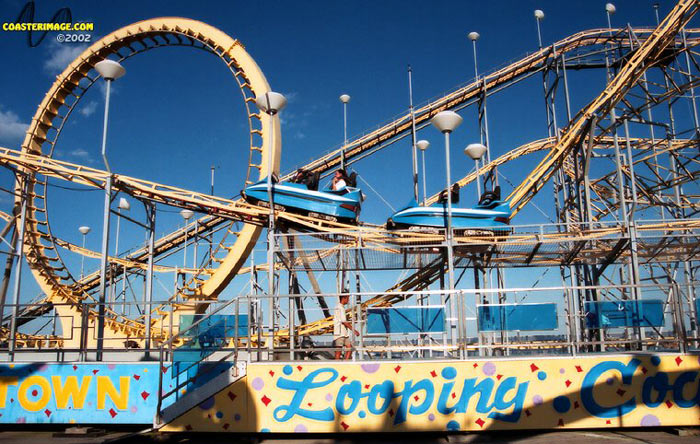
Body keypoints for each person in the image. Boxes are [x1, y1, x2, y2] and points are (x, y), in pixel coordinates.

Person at [333, 294, 359, 359]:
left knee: (349, 347)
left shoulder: (340, 307)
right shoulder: (340, 308)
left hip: (344, 333)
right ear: (344, 298)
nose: (348, 300)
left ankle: (345, 362)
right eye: (347, 298)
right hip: (340, 333)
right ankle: (338, 364)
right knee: (338, 350)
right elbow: (344, 321)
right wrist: (354, 330)